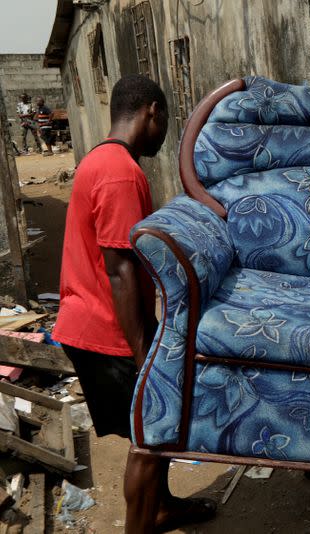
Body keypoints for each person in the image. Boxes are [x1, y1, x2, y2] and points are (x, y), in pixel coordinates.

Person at [52, 74, 216, 533]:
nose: (165, 133)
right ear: (151, 112)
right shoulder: (121, 172)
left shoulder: (102, 161)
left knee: (154, 431)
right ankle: (142, 523)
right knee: (150, 433)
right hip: (104, 330)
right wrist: (146, 356)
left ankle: (160, 506)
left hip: (95, 321)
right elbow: (121, 271)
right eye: (164, 120)